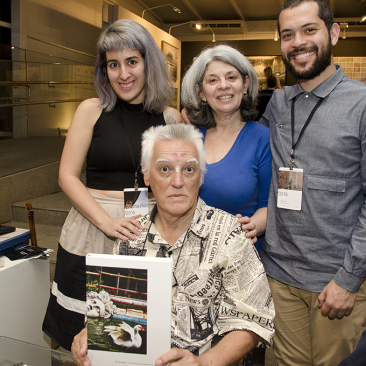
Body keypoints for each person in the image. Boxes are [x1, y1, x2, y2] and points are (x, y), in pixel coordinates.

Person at [71, 123, 275, 366]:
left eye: (189, 169)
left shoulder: (229, 235)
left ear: (201, 176)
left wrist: (204, 363)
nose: (177, 181)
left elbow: (253, 320)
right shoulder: (130, 235)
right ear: (146, 176)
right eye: (164, 169)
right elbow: (110, 310)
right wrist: (90, 334)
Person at [42, 19, 181, 351]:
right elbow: (66, 176)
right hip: (92, 226)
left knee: (132, 335)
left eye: (132, 61)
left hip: (145, 229)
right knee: (82, 336)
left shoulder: (171, 117)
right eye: (113, 65)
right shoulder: (91, 110)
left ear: (149, 62)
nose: (123, 73)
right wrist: (106, 222)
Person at [259, 0, 366, 365]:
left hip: (335, 283)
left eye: (309, 30)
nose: (298, 42)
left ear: (333, 33)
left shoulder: (361, 104)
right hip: (279, 276)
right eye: (288, 35)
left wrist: (349, 279)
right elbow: (244, 148)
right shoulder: (278, 101)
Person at [180, 45, 272, 253]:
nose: (223, 86)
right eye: (212, 80)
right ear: (201, 92)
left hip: (238, 256)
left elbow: (268, 206)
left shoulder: (262, 139)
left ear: (245, 84)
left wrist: (250, 227)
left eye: (231, 77)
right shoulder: (190, 137)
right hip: (189, 256)